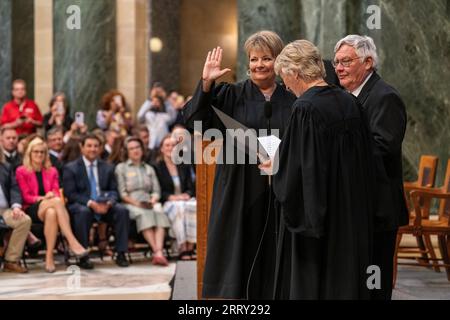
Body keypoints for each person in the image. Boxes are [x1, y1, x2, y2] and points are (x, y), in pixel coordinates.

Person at [183, 30, 296, 299]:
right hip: (239, 186)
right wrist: (206, 84)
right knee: (239, 246)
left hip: (280, 185)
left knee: (275, 247)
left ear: (278, 61)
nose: (259, 65)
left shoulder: (292, 99)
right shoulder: (231, 95)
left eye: (266, 58)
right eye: (254, 59)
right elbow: (195, 121)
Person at [260, 39, 375, 299]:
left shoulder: (305, 109)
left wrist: (276, 171)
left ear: (294, 72)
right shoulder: (350, 102)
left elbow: (300, 175)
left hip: (319, 224)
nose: (286, 87)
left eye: (284, 79)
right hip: (351, 216)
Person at [334, 35, 408, 300]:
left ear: (367, 62)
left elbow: (383, 147)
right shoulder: (349, 96)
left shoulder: (384, 96)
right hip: (357, 206)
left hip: (378, 208)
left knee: (374, 284)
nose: (339, 68)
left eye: (346, 62)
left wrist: (336, 156)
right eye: (337, 63)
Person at [16, 137, 88, 273]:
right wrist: (44, 197)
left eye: (42, 152)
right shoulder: (22, 171)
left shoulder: (52, 171)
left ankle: (49, 257)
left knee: (52, 212)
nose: (39, 155)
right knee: (55, 202)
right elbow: (26, 196)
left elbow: (55, 190)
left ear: (46, 154)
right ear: (30, 153)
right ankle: (71, 240)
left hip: (49, 207)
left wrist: (51, 196)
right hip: (31, 208)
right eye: (36, 152)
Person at [63, 133, 130, 269]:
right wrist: (91, 203)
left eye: (96, 146)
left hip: (104, 205)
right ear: (81, 148)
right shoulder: (71, 168)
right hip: (84, 205)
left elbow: (114, 191)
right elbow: (71, 194)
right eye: (89, 146)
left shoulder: (108, 167)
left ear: (100, 149)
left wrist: (109, 202)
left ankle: (121, 253)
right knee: (83, 212)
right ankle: (83, 256)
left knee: (122, 211)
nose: (92, 149)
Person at [115, 137, 171, 266]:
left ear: (142, 149)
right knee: (144, 214)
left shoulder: (149, 168)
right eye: (132, 148)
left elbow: (156, 190)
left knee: (160, 213)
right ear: (127, 151)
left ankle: (158, 253)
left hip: (148, 201)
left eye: (137, 147)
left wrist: (153, 199)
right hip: (131, 203)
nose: (135, 150)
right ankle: (158, 251)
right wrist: (138, 204)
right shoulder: (121, 168)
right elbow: (122, 193)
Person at [154, 136, 196, 261]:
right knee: (179, 208)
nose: (170, 148)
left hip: (184, 199)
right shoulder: (157, 166)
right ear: (161, 149)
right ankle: (182, 247)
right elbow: (157, 189)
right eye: (167, 145)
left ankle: (191, 245)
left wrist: (187, 195)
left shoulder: (184, 164)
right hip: (168, 201)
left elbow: (191, 186)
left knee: (194, 206)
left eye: (173, 145)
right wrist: (171, 197)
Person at [0, 149, 31, 273]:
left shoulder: (5, 167)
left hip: (5, 210)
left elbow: (14, 188)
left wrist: (16, 206)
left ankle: (11, 261)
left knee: (24, 220)